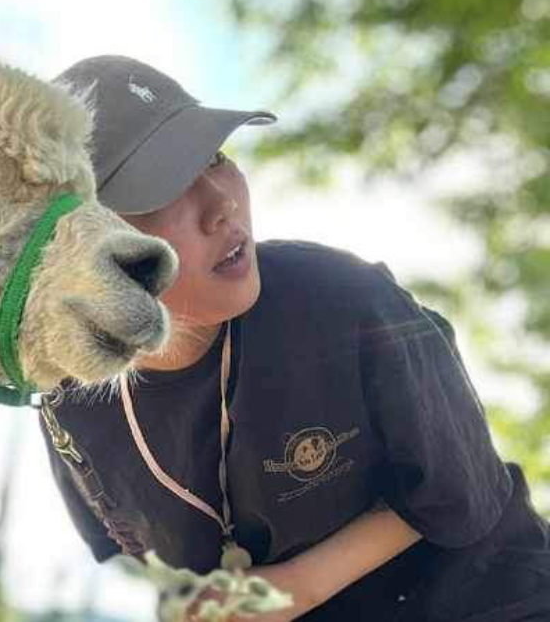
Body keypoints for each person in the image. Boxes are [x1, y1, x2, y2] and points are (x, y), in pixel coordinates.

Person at [38, 55, 550, 622]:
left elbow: (463, 486)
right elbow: (138, 556)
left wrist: (295, 587)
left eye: (215, 158)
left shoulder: (342, 300)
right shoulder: (71, 399)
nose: (222, 204)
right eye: (167, 188)